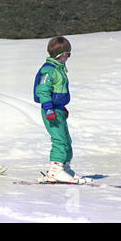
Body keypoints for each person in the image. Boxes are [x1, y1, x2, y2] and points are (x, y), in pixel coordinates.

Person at [34, 36, 84, 183]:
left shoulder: (58, 69)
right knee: (59, 140)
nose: (68, 57)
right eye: (68, 54)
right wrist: (49, 108)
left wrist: (61, 107)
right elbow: (42, 90)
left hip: (58, 109)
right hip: (51, 111)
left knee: (66, 140)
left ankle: (65, 168)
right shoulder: (49, 70)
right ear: (63, 55)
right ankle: (55, 171)